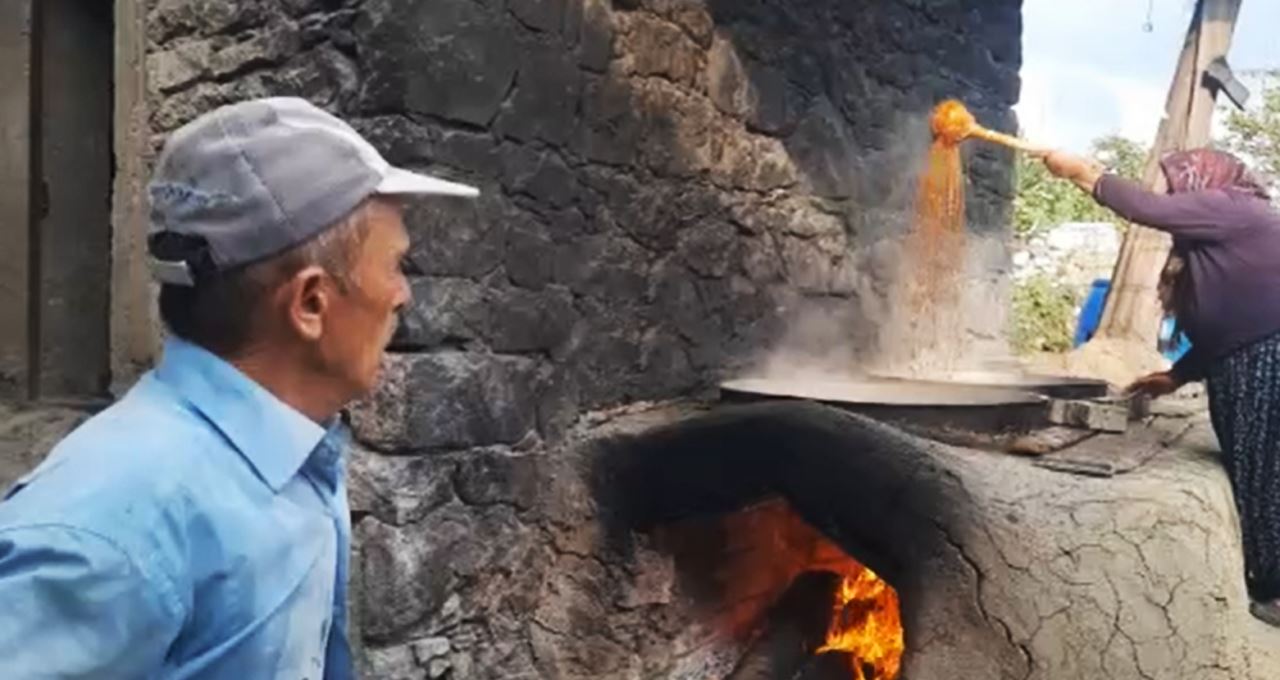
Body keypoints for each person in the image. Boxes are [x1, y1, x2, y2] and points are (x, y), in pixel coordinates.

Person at [0, 98, 478, 677]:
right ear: (309, 303)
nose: (403, 295)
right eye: (396, 266)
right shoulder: (107, 535)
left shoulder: (291, 452)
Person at [1043, 146, 1280, 626]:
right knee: (1256, 466)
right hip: (1245, 356)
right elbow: (1231, 323)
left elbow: (1148, 210)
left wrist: (1087, 177)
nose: (1173, 198)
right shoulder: (1221, 235)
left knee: (1264, 470)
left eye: (1176, 186)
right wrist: (1175, 375)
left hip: (1264, 358)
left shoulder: (1231, 206)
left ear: (1200, 180)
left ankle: (1276, 591)